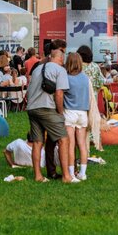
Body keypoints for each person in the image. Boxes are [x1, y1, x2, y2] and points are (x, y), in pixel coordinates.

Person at [26, 47, 76, 183]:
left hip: (32, 108)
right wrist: (60, 113)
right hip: (47, 108)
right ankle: (66, 176)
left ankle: (38, 176)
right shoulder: (60, 70)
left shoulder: (37, 69)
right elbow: (59, 94)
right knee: (63, 139)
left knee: (37, 142)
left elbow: (29, 89)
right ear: (61, 58)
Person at [63, 52, 91, 181]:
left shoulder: (66, 78)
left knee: (70, 144)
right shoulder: (85, 78)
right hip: (83, 113)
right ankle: (83, 173)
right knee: (82, 144)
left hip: (69, 112)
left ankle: (71, 173)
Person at [78, 45, 105, 152]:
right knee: (93, 118)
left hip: (80, 97)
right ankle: (96, 141)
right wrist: (95, 91)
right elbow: (101, 82)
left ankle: (82, 139)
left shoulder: (78, 67)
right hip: (93, 96)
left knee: (82, 119)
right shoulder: (95, 66)